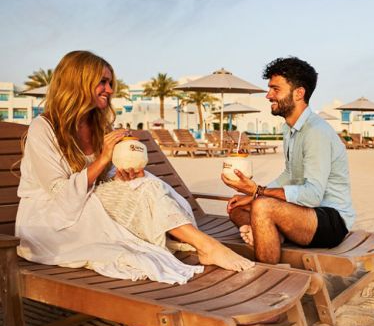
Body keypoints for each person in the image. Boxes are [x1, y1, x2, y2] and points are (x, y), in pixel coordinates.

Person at [16, 50, 253, 285]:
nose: (110, 90)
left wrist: (122, 172)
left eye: (110, 83)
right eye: (102, 82)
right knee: (143, 193)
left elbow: (103, 178)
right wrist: (103, 158)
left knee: (143, 181)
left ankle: (204, 245)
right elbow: (60, 195)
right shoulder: (43, 128)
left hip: (88, 204)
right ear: (78, 82)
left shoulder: (97, 125)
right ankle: (207, 245)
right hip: (50, 221)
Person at [223, 57, 355, 264]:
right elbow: (290, 174)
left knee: (262, 207)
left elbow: (312, 195)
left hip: (330, 219)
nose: (268, 95)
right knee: (237, 207)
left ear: (299, 93)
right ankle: (274, 235)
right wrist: (252, 194)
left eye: (275, 89)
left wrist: (258, 192)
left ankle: (268, 275)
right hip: (301, 211)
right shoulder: (289, 129)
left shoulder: (316, 132)